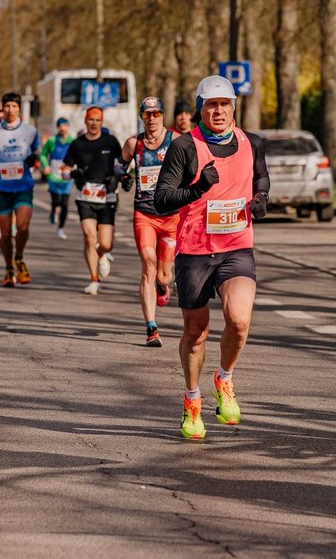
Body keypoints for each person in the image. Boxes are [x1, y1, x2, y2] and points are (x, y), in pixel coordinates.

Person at [154, 75, 270, 440]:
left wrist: (261, 200)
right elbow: (162, 199)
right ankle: (192, 400)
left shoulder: (253, 142)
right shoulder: (185, 147)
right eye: (210, 105)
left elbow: (261, 179)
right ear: (200, 108)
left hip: (237, 246)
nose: (218, 111)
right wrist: (198, 187)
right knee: (196, 332)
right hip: (194, 252)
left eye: (224, 105)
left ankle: (225, 378)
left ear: (233, 107)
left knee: (238, 321)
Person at [121, 96, 180, 347]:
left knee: (164, 275)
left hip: (170, 216)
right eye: (147, 114)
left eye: (156, 114)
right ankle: (151, 328)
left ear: (163, 116)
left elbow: (191, 168)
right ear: (142, 117)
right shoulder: (134, 144)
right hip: (144, 214)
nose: (152, 118)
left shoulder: (175, 140)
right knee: (148, 263)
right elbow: (119, 165)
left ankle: (163, 284)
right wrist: (122, 177)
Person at [0, 93, 39, 287]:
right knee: (4, 233)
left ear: (19, 109)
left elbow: (37, 151)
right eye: (7, 106)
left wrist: (33, 159)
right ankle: (8, 268)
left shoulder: (30, 131)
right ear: (2, 109)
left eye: (14, 106)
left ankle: (18, 257)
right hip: (0, 187)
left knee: (22, 227)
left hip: (23, 186)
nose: (10, 110)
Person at [62, 106, 123, 295]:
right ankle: (94, 280)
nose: (94, 123)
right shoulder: (77, 144)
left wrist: (117, 178)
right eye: (91, 119)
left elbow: (122, 165)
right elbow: (63, 170)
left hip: (108, 197)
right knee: (89, 237)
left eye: (98, 120)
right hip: (85, 197)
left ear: (102, 122)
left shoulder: (111, 142)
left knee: (105, 243)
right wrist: (72, 174)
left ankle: (103, 254)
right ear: (86, 121)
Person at [39, 117, 76, 240]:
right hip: (54, 176)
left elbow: (78, 156)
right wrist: (46, 167)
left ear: (68, 127)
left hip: (66, 176)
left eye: (65, 125)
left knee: (64, 204)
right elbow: (43, 155)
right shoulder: (51, 141)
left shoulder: (73, 141)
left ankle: (61, 228)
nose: (62, 128)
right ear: (57, 127)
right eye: (60, 125)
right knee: (56, 201)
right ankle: (53, 209)